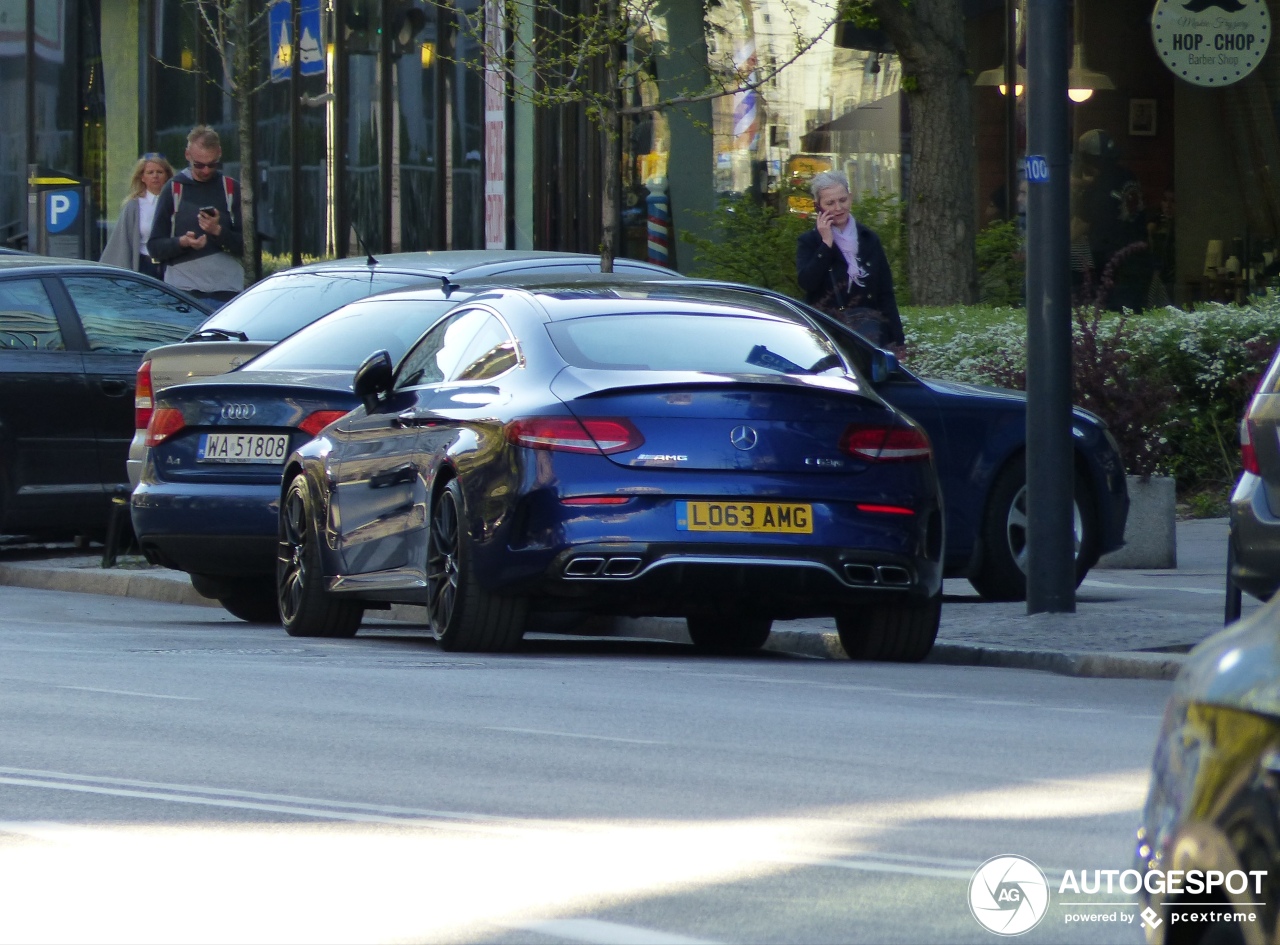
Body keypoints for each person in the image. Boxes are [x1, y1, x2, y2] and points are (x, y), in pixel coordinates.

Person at [795, 170, 903, 348]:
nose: (838, 208)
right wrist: (826, 244)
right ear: (818, 207)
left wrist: (898, 341)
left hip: (869, 331)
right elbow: (807, 283)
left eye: (842, 200)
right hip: (828, 332)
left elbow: (885, 292)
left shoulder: (868, 238)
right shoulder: (809, 242)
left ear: (850, 198)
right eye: (830, 203)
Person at [147, 125, 244, 304]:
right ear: (187, 156)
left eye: (212, 164)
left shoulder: (231, 189)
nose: (206, 170)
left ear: (219, 153)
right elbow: (154, 246)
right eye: (199, 165)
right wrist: (182, 242)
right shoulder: (174, 188)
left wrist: (218, 232)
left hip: (227, 291)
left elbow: (247, 247)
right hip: (183, 291)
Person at [1071, 128, 1153, 311]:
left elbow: (1080, 225)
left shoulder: (1096, 189)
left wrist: (1053, 249)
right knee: (1135, 317)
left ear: (1087, 158)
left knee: (1114, 320)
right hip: (1139, 259)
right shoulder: (1127, 176)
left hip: (1114, 264)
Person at [100, 153, 174, 278]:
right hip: (145, 265)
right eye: (150, 172)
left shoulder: (175, 200)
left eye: (159, 172)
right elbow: (122, 242)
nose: (155, 176)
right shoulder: (134, 205)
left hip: (171, 266)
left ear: (167, 176)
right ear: (142, 177)